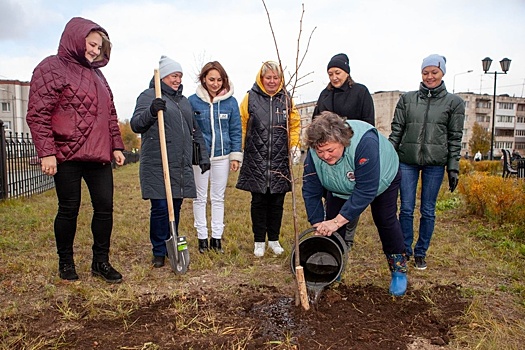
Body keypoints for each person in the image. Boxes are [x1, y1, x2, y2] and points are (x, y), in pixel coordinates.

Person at [26, 17, 125, 283]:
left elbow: (109, 114)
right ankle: (66, 262)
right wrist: (47, 152)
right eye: (92, 44)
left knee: (105, 208)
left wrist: (116, 144)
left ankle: (100, 262)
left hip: (99, 155)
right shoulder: (51, 67)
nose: (95, 50)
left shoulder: (98, 75)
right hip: (67, 154)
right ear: (76, 37)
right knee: (69, 208)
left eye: (99, 47)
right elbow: (38, 114)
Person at [302, 111, 407, 296]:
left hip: (382, 180)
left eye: (330, 150)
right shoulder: (313, 153)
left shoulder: (365, 143)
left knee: (385, 219)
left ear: (342, 141)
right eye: (320, 151)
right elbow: (311, 190)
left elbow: (366, 190)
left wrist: (336, 222)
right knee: (333, 227)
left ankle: (398, 270)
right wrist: (319, 222)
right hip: (339, 185)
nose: (325, 156)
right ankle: (334, 270)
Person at [131, 55, 209, 268]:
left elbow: (195, 131)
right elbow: (136, 125)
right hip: (158, 164)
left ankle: (170, 245)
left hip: (180, 165)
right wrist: (152, 111)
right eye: (174, 75)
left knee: (175, 205)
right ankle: (158, 250)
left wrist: (202, 155)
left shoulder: (183, 101)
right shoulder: (149, 96)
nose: (178, 80)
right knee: (160, 207)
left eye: (180, 76)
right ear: (163, 76)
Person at [389, 54, 465, 270]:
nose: (429, 76)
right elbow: (397, 130)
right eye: (425, 72)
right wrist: (387, 156)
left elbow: (455, 137)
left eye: (434, 72)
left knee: (428, 210)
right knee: (405, 208)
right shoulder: (407, 99)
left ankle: (421, 252)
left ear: (442, 73)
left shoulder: (454, 103)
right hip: (407, 161)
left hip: (435, 163)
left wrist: (453, 167)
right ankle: (405, 249)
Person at [236, 61, 301, 257]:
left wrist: (294, 146)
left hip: (279, 159)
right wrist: (240, 149)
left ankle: (273, 239)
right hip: (256, 157)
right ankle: (258, 241)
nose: (272, 81)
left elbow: (295, 124)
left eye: (275, 78)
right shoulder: (250, 98)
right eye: (268, 78)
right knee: (258, 201)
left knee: (277, 201)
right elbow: (242, 125)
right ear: (261, 78)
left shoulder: (287, 99)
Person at [312, 53, 375, 251]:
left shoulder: (360, 92)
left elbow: (368, 123)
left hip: (351, 152)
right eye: (330, 73)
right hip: (328, 154)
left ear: (347, 72)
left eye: (337, 72)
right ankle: (332, 234)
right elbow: (316, 122)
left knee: (351, 192)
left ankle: (347, 236)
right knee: (332, 193)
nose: (334, 77)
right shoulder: (324, 95)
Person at [188, 61, 242, 254]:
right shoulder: (192, 101)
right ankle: (202, 238)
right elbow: (189, 130)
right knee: (199, 198)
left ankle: (216, 238)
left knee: (218, 198)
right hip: (200, 158)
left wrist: (235, 155)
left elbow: (236, 130)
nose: (215, 83)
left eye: (219, 79)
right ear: (203, 79)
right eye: (211, 79)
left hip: (222, 157)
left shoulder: (231, 102)